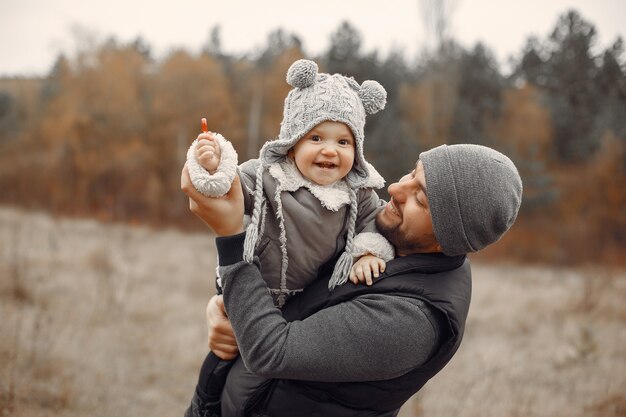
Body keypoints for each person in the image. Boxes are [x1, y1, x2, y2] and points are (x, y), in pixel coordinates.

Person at [181, 143, 523, 416]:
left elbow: (271, 352)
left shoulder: (412, 321)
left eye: (421, 198)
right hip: (219, 402)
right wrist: (223, 305)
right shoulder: (389, 235)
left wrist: (230, 239)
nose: (396, 188)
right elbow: (286, 271)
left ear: (447, 239)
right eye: (412, 174)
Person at [184, 59, 394, 415]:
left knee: (261, 371)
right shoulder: (269, 176)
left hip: (304, 305)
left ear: (356, 149)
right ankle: (202, 407)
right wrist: (212, 164)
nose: (330, 150)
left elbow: (372, 224)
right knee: (223, 356)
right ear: (293, 143)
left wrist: (367, 252)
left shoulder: (357, 194)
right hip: (253, 289)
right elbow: (229, 186)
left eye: (343, 141)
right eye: (316, 137)